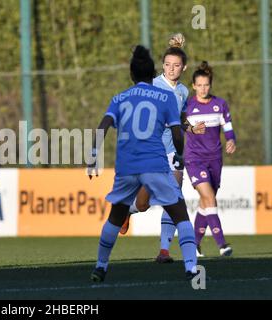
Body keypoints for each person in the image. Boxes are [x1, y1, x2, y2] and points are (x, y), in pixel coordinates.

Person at [88, 45, 198, 282]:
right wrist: (179, 155)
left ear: (131, 75)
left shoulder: (119, 98)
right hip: (155, 165)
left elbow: (103, 125)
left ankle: (100, 266)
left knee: (114, 218)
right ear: (153, 74)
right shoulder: (167, 96)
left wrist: (93, 155)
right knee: (180, 214)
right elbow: (177, 134)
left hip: (126, 168)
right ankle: (190, 268)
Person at [119, 33, 205, 264]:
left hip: (173, 151)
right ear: (162, 66)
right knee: (144, 203)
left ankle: (164, 250)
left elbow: (181, 118)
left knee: (173, 195)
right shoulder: (152, 85)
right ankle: (128, 210)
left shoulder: (184, 91)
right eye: (167, 65)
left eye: (176, 65)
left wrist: (191, 128)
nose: (171, 69)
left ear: (184, 68)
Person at [185, 61, 236, 257]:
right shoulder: (188, 105)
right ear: (194, 86)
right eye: (200, 85)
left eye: (206, 85)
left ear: (210, 85)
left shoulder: (220, 104)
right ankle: (222, 244)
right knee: (209, 197)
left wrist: (231, 140)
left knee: (206, 202)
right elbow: (177, 124)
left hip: (215, 158)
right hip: (194, 159)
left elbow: (228, 127)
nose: (203, 88)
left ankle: (194, 244)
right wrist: (190, 128)